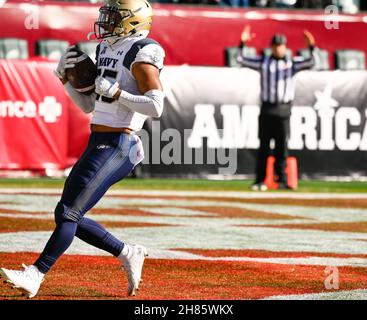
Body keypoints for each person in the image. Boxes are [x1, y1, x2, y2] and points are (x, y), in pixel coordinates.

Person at [0, 0, 165, 298]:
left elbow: (156, 106)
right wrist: (66, 83)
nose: (106, 20)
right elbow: (90, 105)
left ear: (133, 20)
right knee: (67, 213)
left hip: (120, 144)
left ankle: (36, 274)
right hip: (99, 141)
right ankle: (127, 252)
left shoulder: (142, 51)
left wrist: (117, 92)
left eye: (114, 16)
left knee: (68, 212)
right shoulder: (106, 48)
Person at [237, 25, 315, 191]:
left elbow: (312, 62)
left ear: (285, 47)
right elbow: (240, 59)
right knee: (264, 147)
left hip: (284, 110)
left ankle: (282, 180)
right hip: (267, 109)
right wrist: (242, 43)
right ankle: (260, 180)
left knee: (282, 148)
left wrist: (311, 46)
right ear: (271, 47)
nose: (278, 48)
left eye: (281, 45)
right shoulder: (263, 62)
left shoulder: (291, 63)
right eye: (276, 45)